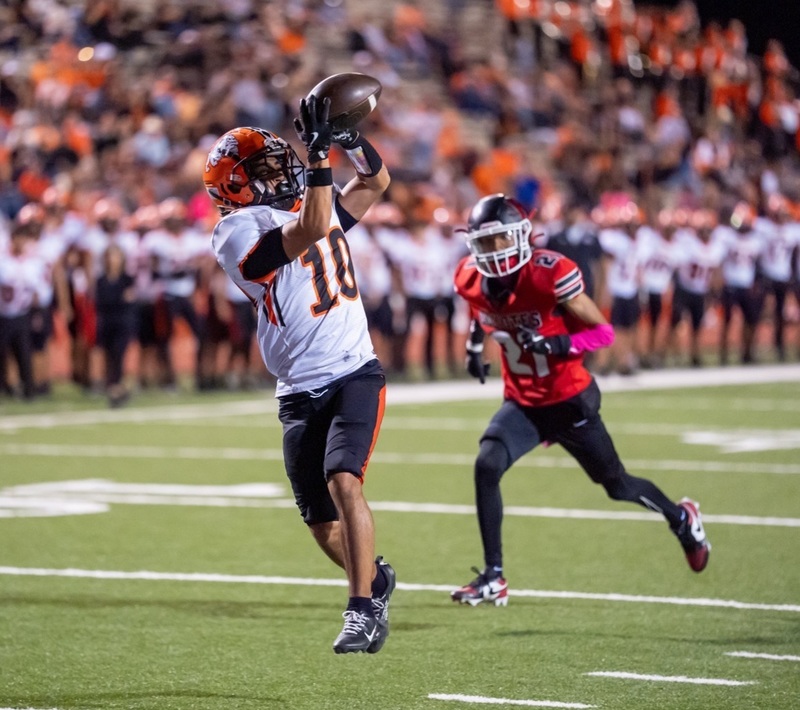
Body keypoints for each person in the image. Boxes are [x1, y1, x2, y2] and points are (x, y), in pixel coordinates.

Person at [450, 193, 711, 607]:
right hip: (524, 402)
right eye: (484, 243)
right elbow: (480, 313)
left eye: (500, 240)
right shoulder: (469, 277)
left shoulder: (549, 274)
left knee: (617, 486)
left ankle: (681, 517)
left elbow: (603, 334)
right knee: (487, 464)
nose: (493, 251)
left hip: (569, 400)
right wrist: (472, 346)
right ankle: (493, 576)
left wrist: (555, 344)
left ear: (521, 237)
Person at [203, 95, 395, 653]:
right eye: (262, 170)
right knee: (318, 521)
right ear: (233, 188)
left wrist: (350, 140)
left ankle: (362, 609)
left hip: (354, 371)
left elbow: (377, 182)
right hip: (297, 388)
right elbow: (312, 228)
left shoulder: (310, 198)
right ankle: (376, 579)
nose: (279, 170)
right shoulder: (236, 232)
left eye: (277, 160)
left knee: (344, 481)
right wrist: (317, 153)